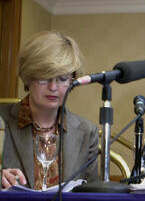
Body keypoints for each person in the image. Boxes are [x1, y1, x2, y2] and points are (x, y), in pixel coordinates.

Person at [0, 30, 99, 190]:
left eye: (62, 79)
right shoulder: (2, 119)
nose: (53, 87)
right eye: (44, 77)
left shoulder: (87, 132)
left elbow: (92, 197)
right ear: (28, 76)